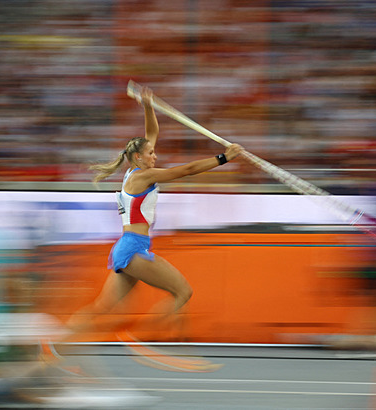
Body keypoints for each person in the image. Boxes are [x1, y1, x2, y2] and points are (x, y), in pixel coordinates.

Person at [67, 86, 244, 343]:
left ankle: (57, 341)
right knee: (183, 292)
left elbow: (152, 134)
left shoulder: (132, 172)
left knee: (101, 308)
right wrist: (223, 158)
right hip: (134, 249)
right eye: (151, 153)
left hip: (125, 248)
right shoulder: (144, 175)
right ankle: (144, 335)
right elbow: (188, 169)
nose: (155, 156)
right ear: (138, 157)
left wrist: (148, 106)